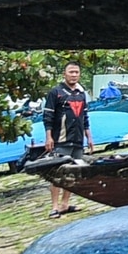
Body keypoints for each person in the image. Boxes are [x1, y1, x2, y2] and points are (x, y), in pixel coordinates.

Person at [41, 62, 93, 218]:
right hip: (61, 139)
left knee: (73, 173)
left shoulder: (81, 93)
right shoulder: (55, 92)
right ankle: (55, 206)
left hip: (77, 139)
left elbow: (85, 117)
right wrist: (49, 136)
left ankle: (65, 204)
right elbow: (48, 116)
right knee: (58, 173)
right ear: (65, 74)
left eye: (76, 72)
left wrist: (89, 136)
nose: (74, 75)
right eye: (71, 72)